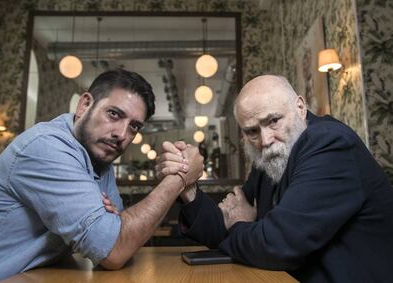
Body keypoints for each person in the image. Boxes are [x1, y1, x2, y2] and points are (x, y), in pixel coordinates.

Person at [156, 75, 393, 282]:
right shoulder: (269, 158)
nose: (265, 139)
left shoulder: (330, 144)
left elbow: (278, 244)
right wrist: (188, 188)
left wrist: (243, 225)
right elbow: (223, 230)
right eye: (252, 131)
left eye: (274, 121)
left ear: (300, 107)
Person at [0, 69, 203, 282]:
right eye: (114, 114)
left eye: (134, 126)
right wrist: (180, 177)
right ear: (85, 105)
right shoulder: (47, 147)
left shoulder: (99, 161)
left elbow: (120, 237)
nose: (122, 134)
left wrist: (114, 229)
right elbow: (115, 249)